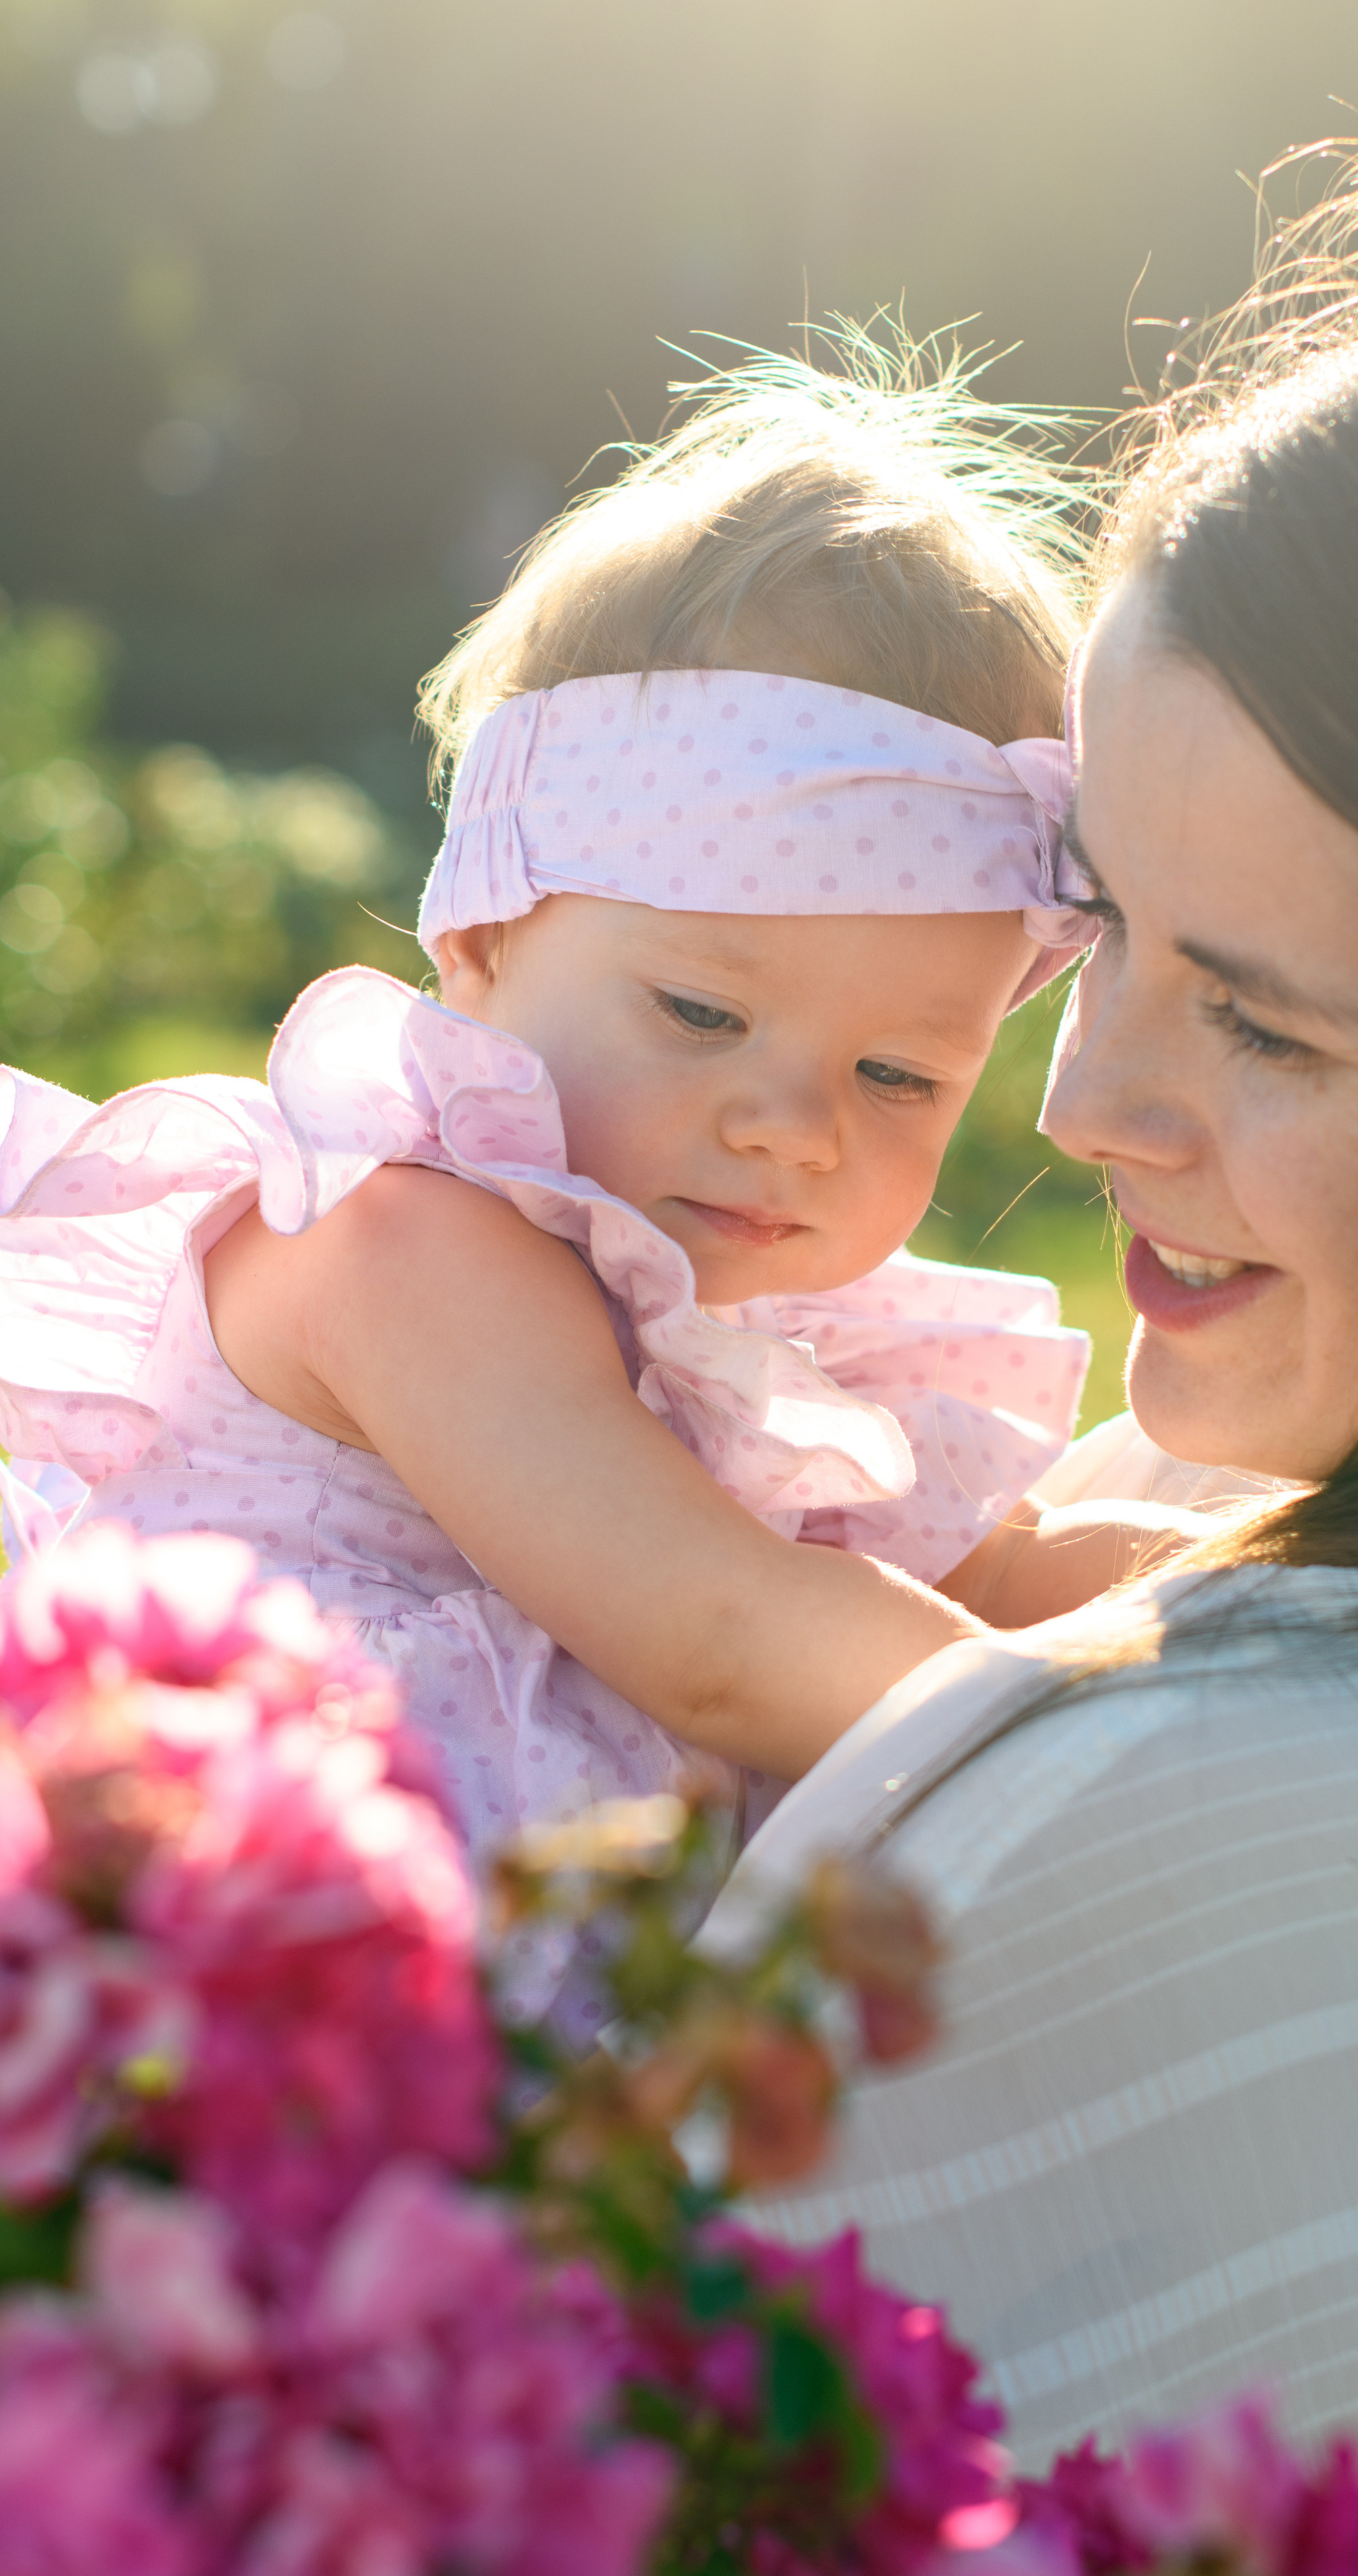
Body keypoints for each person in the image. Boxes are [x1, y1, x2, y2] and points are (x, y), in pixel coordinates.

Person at [709, 151, 1358, 2574]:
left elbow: (457, 2456)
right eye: (1104, 926)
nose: (1077, 1108)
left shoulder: (1208, 1798)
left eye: (1263, 1022)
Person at [0, 353, 1173, 1988]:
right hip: (241, 2024)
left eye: (897, 1073)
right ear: (481, 932)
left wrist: (1282, 1603)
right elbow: (720, 1632)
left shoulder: (756, 1353)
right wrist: (1156, 1751)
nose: (796, 1125)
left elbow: (976, 1573)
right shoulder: (404, 1244)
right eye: (701, 1011)